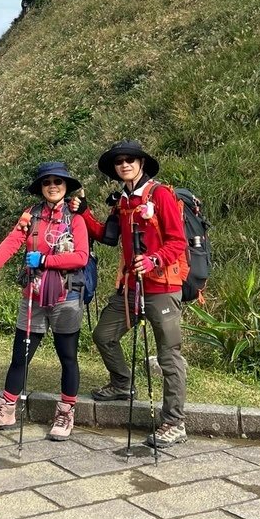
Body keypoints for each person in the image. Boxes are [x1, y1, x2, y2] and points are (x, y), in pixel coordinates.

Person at [77, 139, 189, 448]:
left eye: (130, 159)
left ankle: (174, 421)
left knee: (168, 355)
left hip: (162, 287)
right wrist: (85, 214)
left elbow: (177, 241)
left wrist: (154, 259)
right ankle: (122, 383)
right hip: (130, 288)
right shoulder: (122, 202)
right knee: (103, 334)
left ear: (141, 164)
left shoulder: (161, 195)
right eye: (119, 161)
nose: (124, 164)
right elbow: (108, 237)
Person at [0, 161, 89, 441]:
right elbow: (13, 241)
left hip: (66, 295)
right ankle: (6, 411)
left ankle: (65, 413)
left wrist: (46, 260)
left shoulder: (77, 219)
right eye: (47, 182)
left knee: (68, 357)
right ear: (41, 187)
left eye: (58, 182)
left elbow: (81, 256)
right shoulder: (31, 215)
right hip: (33, 296)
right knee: (20, 357)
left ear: (65, 187)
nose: (52, 186)